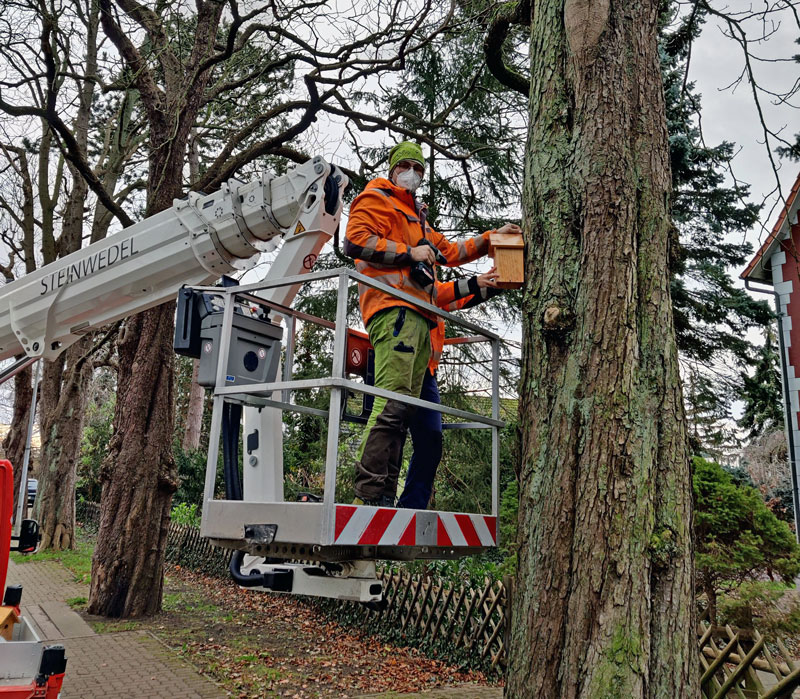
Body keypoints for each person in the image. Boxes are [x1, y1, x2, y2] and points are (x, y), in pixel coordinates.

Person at [344, 140, 521, 506]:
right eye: (407, 165)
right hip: (393, 315)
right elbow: (355, 243)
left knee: (425, 428)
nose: (413, 173)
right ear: (393, 169)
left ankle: (405, 507)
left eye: (419, 168)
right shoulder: (376, 199)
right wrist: (410, 253)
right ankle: (369, 499)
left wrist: (490, 244)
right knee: (391, 408)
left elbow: (450, 257)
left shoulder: (418, 220)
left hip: (421, 330)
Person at [396, 270, 505, 510]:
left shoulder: (434, 295)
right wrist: (477, 282)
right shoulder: (406, 287)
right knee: (392, 433)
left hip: (426, 373)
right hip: (400, 364)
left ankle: (411, 507)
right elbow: (448, 293)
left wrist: (497, 285)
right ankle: (379, 498)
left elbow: (459, 298)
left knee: (431, 440)